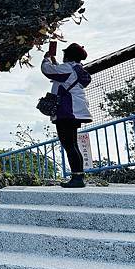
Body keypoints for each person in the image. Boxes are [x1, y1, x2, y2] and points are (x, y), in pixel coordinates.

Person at [41, 43, 92, 188]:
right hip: (76, 111)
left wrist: (46, 58)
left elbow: (47, 70)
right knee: (73, 144)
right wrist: (55, 62)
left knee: (69, 145)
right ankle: (78, 176)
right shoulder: (77, 69)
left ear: (68, 55)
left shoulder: (68, 68)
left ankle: (77, 178)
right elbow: (61, 75)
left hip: (66, 110)